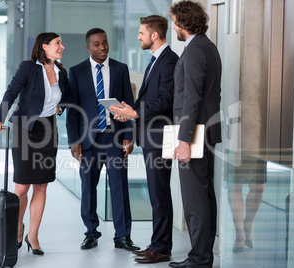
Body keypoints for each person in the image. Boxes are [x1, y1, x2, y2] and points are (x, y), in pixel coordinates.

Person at [0, 32, 71, 256]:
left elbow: (69, 97)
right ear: (44, 47)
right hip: (25, 130)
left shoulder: (61, 72)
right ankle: (17, 229)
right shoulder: (28, 67)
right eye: (57, 43)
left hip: (47, 131)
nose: (62, 46)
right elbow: (11, 92)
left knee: (42, 186)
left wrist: (60, 107)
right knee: (22, 187)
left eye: (61, 43)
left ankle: (33, 236)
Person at [110, 15, 179, 264]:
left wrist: (136, 112)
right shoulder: (155, 60)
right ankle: (158, 243)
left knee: (159, 194)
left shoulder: (170, 61)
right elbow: (149, 98)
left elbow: (165, 100)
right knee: (156, 194)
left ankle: (161, 248)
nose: (138, 36)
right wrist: (129, 110)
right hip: (151, 137)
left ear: (154, 35)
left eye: (141, 32)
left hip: (160, 138)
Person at [65, 28, 139, 251]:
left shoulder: (120, 69)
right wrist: (74, 141)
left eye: (105, 43)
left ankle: (123, 236)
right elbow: (72, 110)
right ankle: (91, 232)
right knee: (88, 187)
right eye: (97, 44)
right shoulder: (76, 72)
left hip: (115, 138)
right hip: (89, 141)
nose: (102, 47)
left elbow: (129, 105)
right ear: (89, 47)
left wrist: (128, 136)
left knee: (119, 188)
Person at [168, 1, 222, 267]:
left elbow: (191, 98)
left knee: (195, 199)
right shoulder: (207, 47)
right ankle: (203, 256)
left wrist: (183, 140)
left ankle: (199, 259)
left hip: (195, 134)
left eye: (175, 21)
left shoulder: (194, 51)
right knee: (204, 196)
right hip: (203, 132)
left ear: (183, 23)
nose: (173, 26)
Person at [227, 155, 266, 253]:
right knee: (235, 186)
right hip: (237, 144)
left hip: (259, 145)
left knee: (258, 188)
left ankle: (248, 224)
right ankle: (239, 233)